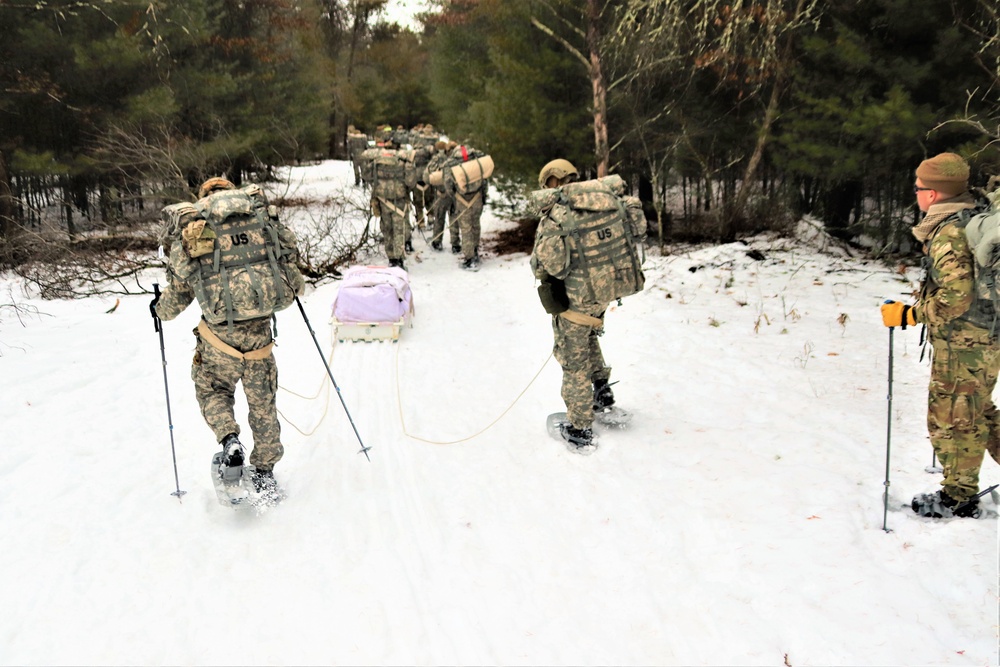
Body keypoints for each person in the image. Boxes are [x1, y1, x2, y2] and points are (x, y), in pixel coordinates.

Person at [151, 177, 305, 498]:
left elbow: (181, 289)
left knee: (212, 388)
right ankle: (264, 470)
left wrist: (159, 310)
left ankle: (229, 439)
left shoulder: (198, 224)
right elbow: (287, 263)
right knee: (263, 404)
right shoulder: (258, 218)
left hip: (218, 336)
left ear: (204, 195)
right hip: (260, 335)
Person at [880, 152, 1000, 518]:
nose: (915, 193)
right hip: (981, 338)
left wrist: (910, 314)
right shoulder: (967, 218)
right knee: (979, 411)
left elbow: (956, 296)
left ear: (932, 194)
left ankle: (958, 498)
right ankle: (960, 489)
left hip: (967, 341)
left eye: (918, 188)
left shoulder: (948, 233)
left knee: (955, 418)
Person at [530, 159, 646, 452]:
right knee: (589, 338)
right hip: (606, 291)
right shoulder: (605, 201)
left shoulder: (558, 215)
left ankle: (580, 427)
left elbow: (550, 265)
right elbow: (639, 231)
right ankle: (602, 395)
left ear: (552, 181)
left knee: (573, 359)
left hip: (576, 299)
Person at [368, 139, 411, 269]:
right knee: (399, 230)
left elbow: (367, 175)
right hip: (399, 200)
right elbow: (410, 181)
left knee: (387, 229)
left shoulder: (376, 161)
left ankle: (391, 258)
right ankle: (399, 259)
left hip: (382, 200)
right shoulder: (402, 162)